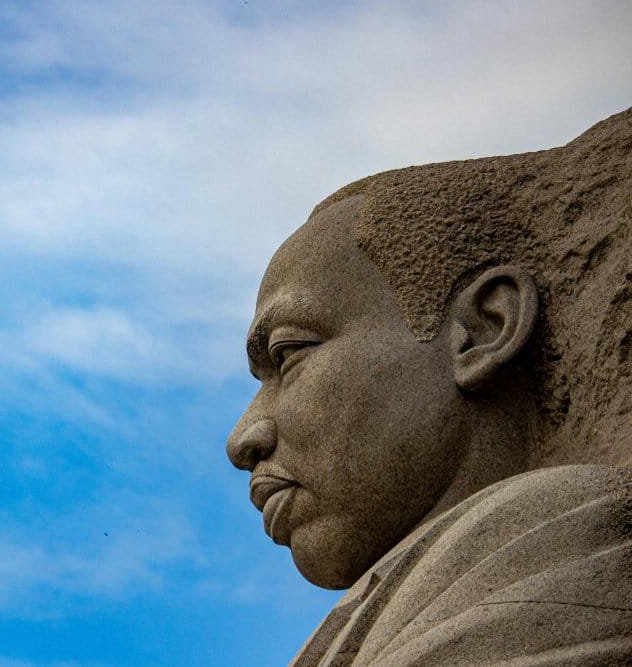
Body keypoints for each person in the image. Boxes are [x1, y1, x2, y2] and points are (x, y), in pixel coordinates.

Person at [226, 109, 632, 665]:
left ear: (483, 330)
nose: (243, 437)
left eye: (288, 354)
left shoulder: (568, 546)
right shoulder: (413, 602)